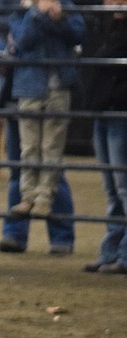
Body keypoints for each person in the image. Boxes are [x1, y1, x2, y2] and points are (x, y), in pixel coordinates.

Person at [7, 0, 85, 220]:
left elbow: (78, 35)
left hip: (57, 86)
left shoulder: (67, 7)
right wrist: (36, 14)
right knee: (29, 146)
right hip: (30, 86)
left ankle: (44, 198)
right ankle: (28, 196)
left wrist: (59, 20)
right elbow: (23, 40)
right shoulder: (22, 12)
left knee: (52, 147)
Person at [83, 0, 127, 274]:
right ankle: (111, 252)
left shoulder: (112, 31)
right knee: (112, 189)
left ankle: (122, 255)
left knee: (122, 187)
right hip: (104, 111)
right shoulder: (107, 26)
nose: (114, 3)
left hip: (120, 113)